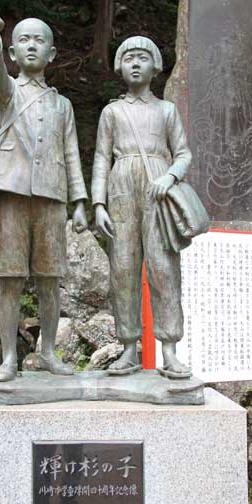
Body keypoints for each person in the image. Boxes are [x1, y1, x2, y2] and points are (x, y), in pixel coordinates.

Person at [0, 0, 88, 382]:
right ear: (12, 50)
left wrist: (80, 201)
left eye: (37, 40)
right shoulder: (8, 93)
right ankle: (9, 358)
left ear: (52, 52)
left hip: (52, 197)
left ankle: (48, 352)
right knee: (8, 278)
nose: (29, 45)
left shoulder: (62, 105)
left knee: (49, 280)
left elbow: (72, 154)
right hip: (10, 193)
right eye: (22, 39)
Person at [92, 36, 192, 378]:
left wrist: (172, 176)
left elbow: (183, 153)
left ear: (156, 66)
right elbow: (101, 158)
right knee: (123, 269)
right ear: (120, 66)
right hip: (121, 189)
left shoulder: (167, 110)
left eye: (142, 58)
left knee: (163, 268)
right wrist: (98, 203)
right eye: (129, 58)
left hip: (158, 192)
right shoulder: (112, 112)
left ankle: (169, 349)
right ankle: (129, 347)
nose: (135, 63)